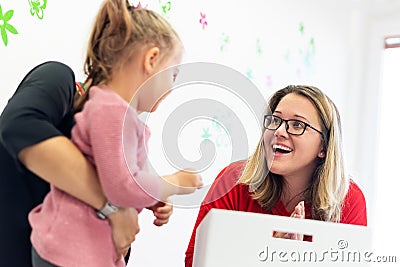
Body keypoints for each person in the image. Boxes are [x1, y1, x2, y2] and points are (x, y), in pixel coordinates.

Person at [28, 1, 203, 267]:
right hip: (69, 251)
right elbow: (123, 188)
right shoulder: (111, 111)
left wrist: (153, 197)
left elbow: (118, 179)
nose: (173, 87)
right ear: (152, 59)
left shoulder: (115, 111)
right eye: (173, 74)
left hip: (85, 249)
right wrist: (173, 182)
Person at [184, 85, 367, 266]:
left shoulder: (348, 199)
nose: (278, 131)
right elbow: (195, 261)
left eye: (297, 125)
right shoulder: (233, 180)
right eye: (275, 121)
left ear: (324, 147)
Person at [0, 63, 141, 267]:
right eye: (171, 74)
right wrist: (113, 210)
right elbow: (18, 126)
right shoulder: (59, 80)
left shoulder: (117, 146)